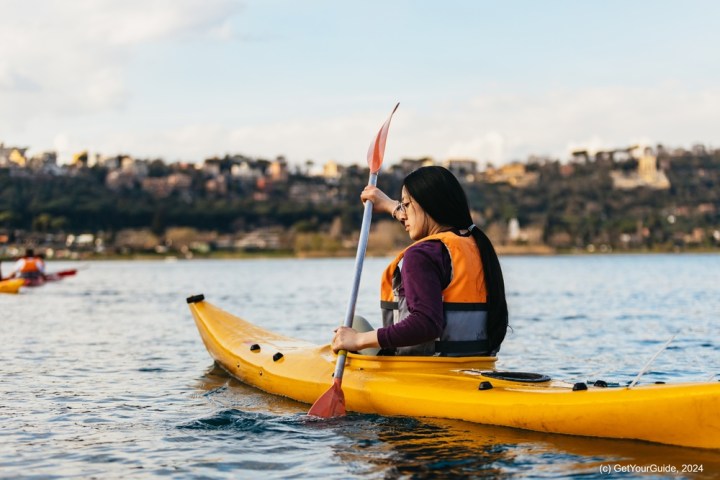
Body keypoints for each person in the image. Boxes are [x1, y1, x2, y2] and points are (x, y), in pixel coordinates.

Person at [332, 166, 509, 356]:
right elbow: (425, 219)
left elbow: (425, 324)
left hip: (424, 371)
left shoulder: (422, 255)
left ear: (429, 204)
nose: (403, 213)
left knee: (353, 324)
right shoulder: (477, 244)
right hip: (475, 366)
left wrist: (357, 340)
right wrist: (392, 207)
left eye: (406, 204)